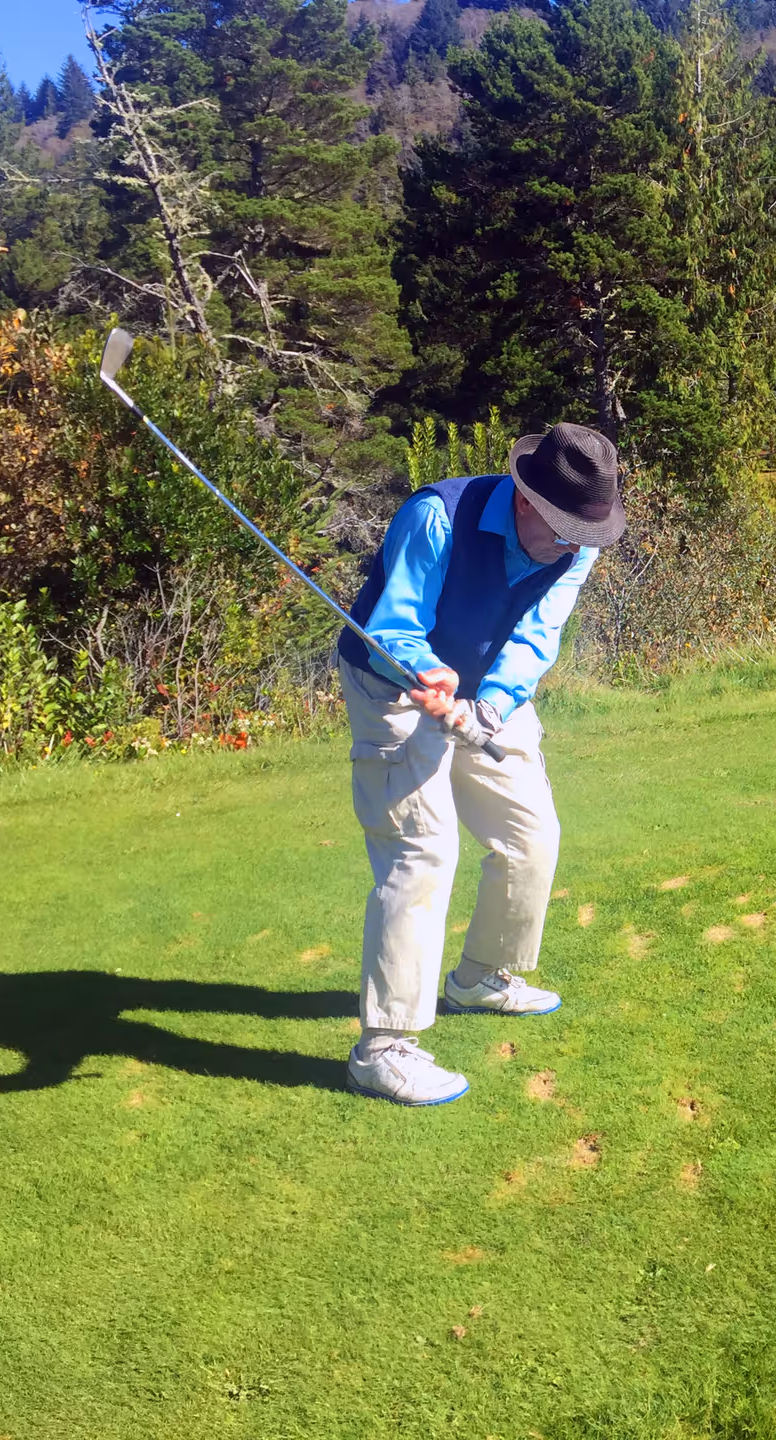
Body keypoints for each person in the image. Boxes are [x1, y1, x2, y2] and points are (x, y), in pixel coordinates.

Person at [333, 424, 624, 1105]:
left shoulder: (576, 544)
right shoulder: (435, 518)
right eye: (561, 528)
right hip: (392, 687)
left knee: (531, 834)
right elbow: (392, 627)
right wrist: (427, 670)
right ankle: (383, 1047)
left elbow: (536, 635)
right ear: (524, 501)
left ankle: (481, 976)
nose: (575, 546)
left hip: (487, 684)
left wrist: (487, 709)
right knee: (422, 850)